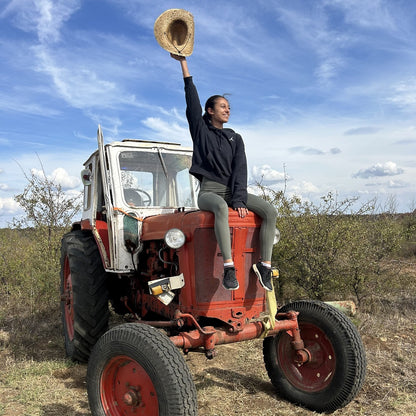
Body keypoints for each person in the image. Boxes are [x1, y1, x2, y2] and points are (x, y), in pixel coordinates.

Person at [171, 53, 278, 291]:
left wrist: (239, 198)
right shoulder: (201, 131)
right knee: (219, 207)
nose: (227, 110)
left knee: (270, 211)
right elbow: (192, 103)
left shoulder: (235, 138)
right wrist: (184, 65)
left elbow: (241, 170)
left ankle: (265, 266)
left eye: (229, 107)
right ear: (209, 110)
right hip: (210, 191)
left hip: (233, 192)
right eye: (222, 106)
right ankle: (229, 267)